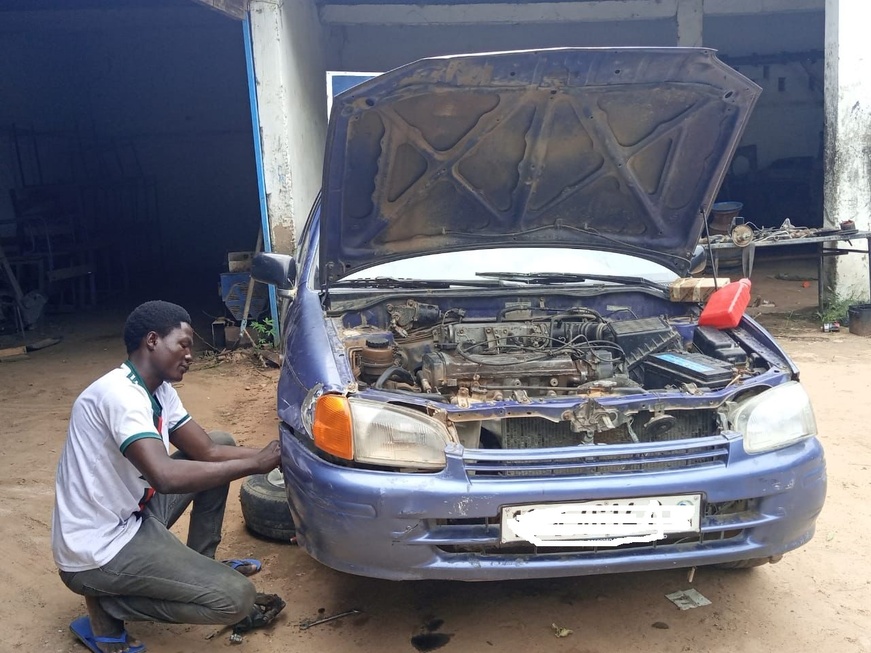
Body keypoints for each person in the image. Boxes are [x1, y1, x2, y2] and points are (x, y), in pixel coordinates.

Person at [51, 300, 285, 653]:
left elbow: (208, 450)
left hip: (132, 514)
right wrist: (256, 465)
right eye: (184, 344)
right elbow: (165, 477)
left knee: (221, 441)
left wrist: (274, 455)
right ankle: (111, 604)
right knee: (237, 599)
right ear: (152, 341)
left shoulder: (158, 390)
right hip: (98, 548)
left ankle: (200, 563)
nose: (190, 354)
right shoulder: (120, 396)